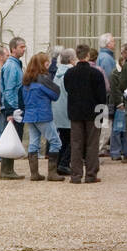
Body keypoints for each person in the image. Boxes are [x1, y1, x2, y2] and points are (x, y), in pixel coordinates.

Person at [64, 44, 107, 184]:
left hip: (75, 112)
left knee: (76, 143)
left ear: (77, 55)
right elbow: (102, 96)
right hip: (93, 113)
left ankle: (75, 175)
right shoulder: (96, 73)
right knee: (92, 143)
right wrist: (102, 115)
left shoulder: (69, 73)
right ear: (88, 55)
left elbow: (68, 90)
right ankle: (90, 174)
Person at [20, 52, 64, 182]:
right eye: (47, 62)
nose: (49, 64)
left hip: (30, 116)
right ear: (42, 64)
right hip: (43, 115)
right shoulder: (43, 80)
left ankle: (34, 174)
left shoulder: (26, 81)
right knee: (56, 142)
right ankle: (52, 173)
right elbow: (55, 95)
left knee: (34, 143)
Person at [0, 37, 28, 180]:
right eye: (21, 47)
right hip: (13, 107)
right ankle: (6, 170)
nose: (24, 49)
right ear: (13, 49)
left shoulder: (15, 65)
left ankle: (8, 169)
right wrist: (10, 111)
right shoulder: (11, 66)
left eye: (24, 46)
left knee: (13, 137)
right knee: (11, 136)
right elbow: (9, 90)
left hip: (15, 106)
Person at [107, 42, 127, 162]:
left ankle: (126, 151)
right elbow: (115, 89)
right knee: (118, 129)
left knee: (125, 128)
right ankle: (115, 152)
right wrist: (119, 103)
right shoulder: (115, 73)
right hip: (120, 104)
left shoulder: (125, 70)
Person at [53, 47, 76, 176]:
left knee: (63, 138)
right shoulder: (70, 73)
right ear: (72, 60)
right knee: (73, 139)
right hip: (67, 109)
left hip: (57, 110)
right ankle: (64, 163)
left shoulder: (57, 73)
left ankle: (59, 163)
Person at [96, 33, 117, 155]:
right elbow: (110, 78)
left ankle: (101, 147)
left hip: (102, 95)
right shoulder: (107, 58)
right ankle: (101, 148)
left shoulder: (102, 56)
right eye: (113, 41)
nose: (114, 43)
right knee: (106, 123)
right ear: (108, 44)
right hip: (107, 96)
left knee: (102, 122)